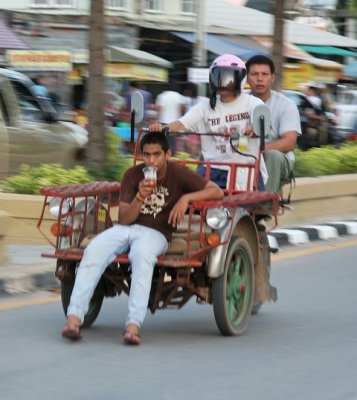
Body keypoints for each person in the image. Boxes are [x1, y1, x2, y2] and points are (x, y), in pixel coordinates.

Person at [61, 132, 224, 345]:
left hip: (156, 233)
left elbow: (216, 191)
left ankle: (133, 325)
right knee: (93, 250)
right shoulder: (132, 175)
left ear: (168, 154)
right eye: (147, 155)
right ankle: (73, 319)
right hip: (126, 229)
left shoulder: (179, 173)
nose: (152, 161)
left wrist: (187, 197)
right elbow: (124, 218)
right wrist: (140, 196)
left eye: (157, 155)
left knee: (141, 256)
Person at [149, 54, 268, 190]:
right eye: (218, 76)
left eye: (227, 77)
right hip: (211, 169)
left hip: (244, 168)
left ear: (239, 78)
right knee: (186, 197)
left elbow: (262, 122)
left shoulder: (253, 103)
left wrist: (255, 129)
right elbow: (182, 124)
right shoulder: (204, 106)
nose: (222, 82)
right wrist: (163, 128)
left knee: (242, 206)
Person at [245, 54, 301, 194]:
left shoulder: (286, 105)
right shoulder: (239, 101)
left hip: (278, 159)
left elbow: (289, 142)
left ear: (272, 78)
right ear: (247, 77)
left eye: (264, 74)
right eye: (254, 74)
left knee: (273, 155)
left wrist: (259, 150)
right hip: (244, 155)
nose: (259, 79)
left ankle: (265, 203)